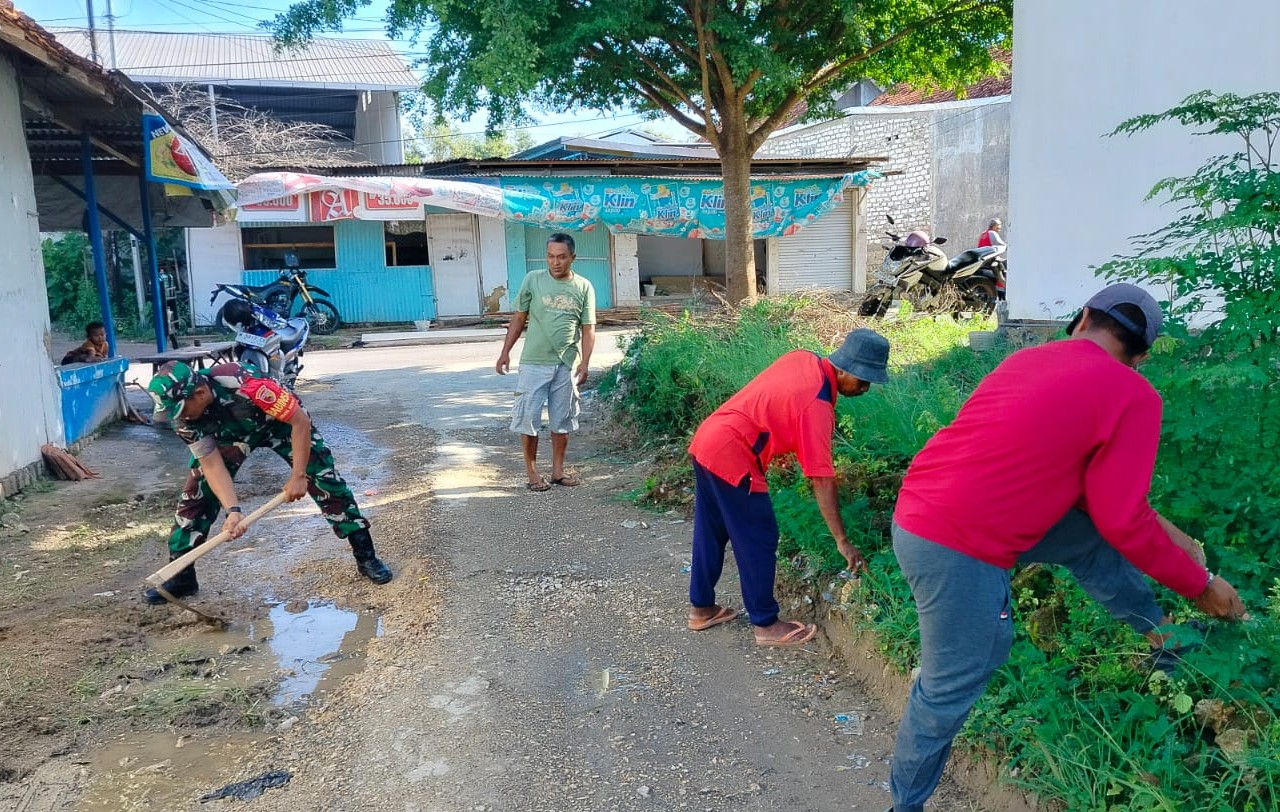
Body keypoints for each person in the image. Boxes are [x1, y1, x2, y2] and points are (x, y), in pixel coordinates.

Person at [886, 283, 1247, 812]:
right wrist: (1202, 586)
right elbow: (1124, 517)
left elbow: (1099, 505)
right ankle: (905, 806)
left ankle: (1168, 644)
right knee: (952, 684)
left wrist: (1169, 536)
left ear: (1082, 319)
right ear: (1141, 357)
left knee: (1092, 541)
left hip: (921, 511)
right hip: (956, 546)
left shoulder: (1027, 360)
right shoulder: (1133, 394)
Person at [686, 329, 890, 647]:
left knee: (712, 530)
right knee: (759, 536)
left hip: (709, 438)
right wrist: (842, 540)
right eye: (862, 380)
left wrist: (780, 447)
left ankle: (702, 609)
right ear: (843, 368)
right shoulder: (818, 406)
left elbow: (775, 400)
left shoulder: (803, 357)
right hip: (733, 453)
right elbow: (822, 479)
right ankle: (765, 625)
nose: (865, 388)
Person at [142, 360, 392, 604]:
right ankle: (182, 577)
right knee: (195, 496)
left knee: (327, 482)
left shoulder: (247, 384)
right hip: (229, 436)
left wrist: (298, 476)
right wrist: (233, 511)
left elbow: (300, 422)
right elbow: (212, 465)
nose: (181, 417)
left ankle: (366, 556)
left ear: (199, 392)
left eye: (182, 409)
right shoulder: (185, 421)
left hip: (282, 426)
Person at [495, 233, 597, 492]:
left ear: (573, 257)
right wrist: (505, 351)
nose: (556, 262)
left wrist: (585, 363)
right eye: (551, 257)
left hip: (566, 364)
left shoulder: (583, 287)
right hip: (534, 362)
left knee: (561, 421)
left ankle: (557, 472)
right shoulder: (533, 280)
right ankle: (532, 473)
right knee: (528, 419)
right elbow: (519, 319)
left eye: (562, 257)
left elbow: (588, 328)